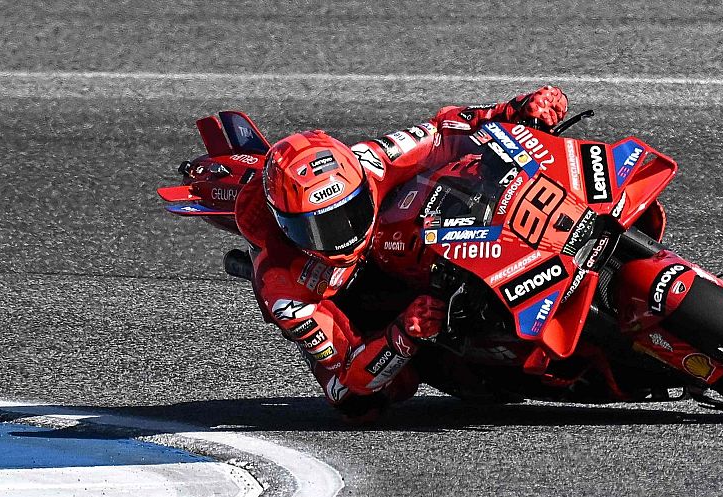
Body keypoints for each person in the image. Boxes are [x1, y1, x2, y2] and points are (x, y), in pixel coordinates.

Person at [234, 86, 569, 421]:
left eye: (351, 211)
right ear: (286, 226)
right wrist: (404, 333)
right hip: (347, 303)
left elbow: (442, 131)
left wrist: (515, 110)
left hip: (403, 235)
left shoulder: (370, 160)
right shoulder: (282, 287)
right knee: (357, 401)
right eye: (320, 228)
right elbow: (351, 372)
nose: (344, 234)